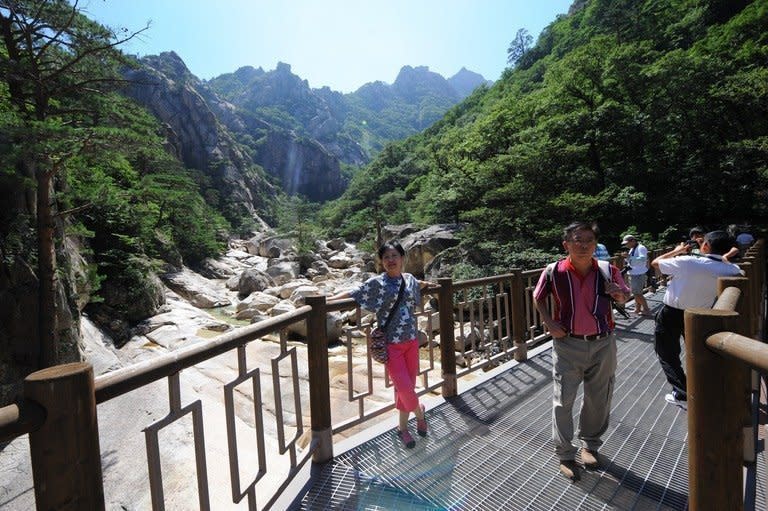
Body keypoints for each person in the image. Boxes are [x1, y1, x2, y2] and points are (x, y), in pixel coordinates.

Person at [534, 222, 630, 481]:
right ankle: (565, 453)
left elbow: (624, 296)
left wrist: (619, 293)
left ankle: (590, 444)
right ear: (566, 244)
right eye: (578, 240)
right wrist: (549, 323)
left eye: (589, 240)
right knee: (563, 399)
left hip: (603, 342)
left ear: (596, 244)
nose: (584, 244)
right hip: (567, 344)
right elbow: (538, 296)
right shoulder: (554, 271)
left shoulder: (608, 270)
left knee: (599, 397)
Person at [330, 241, 435, 448]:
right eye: (386, 257)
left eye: (394, 256)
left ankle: (402, 428)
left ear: (402, 258)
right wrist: (329, 299)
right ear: (381, 261)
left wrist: (428, 285)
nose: (390, 261)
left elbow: (419, 285)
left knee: (406, 388)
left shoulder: (410, 279)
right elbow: (355, 293)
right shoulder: (378, 283)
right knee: (405, 389)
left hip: (412, 342)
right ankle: (420, 413)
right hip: (391, 346)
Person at [651, 230, 743, 410]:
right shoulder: (730, 269)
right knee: (698, 353)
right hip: (702, 315)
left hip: (672, 312)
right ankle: (705, 389)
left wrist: (677, 250)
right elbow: (736, 270)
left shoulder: (688, 262)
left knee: (666, 353)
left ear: (706, 246)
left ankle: (682, 393)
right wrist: (723, 258)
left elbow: (655, 263)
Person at [620, 235, 652, 316]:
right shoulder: (632, 249)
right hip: (634, 273)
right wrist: (627, 257)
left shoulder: (641, 248)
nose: (626, 245)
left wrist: (629, 257)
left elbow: (642, 259)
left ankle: (646, 309)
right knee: (636, 293)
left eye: (627, 243)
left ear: (633, 241)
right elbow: (631, 260)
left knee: (637, 293)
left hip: (638, 274)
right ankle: (637, 309)